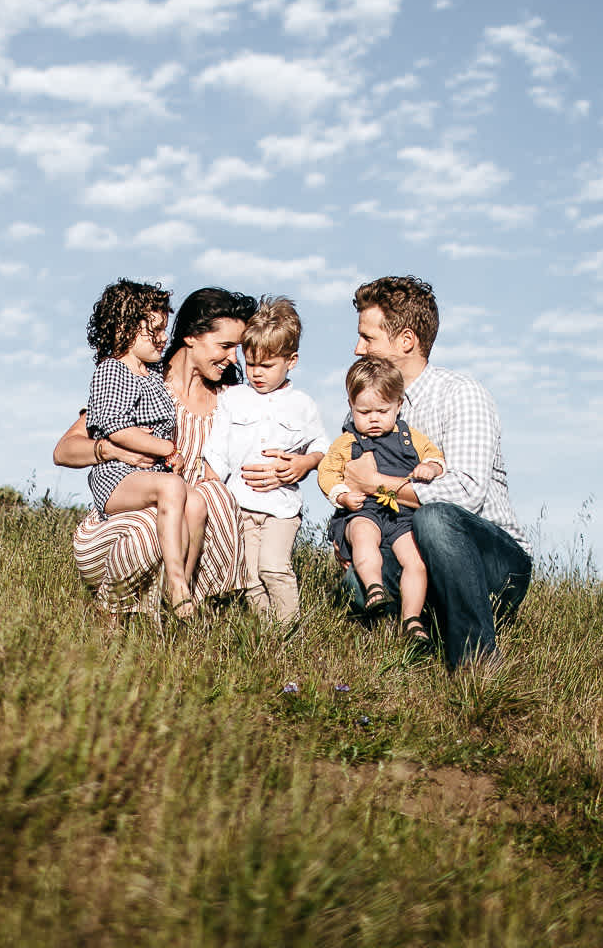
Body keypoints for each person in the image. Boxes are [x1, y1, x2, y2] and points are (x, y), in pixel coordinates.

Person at [56, 288, 319, 622]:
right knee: (159, 519)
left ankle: (197, 612)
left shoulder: (235, 402)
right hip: (130, 524)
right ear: (192, 336)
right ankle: (110, 615)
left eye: (238, 349)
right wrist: (108, 448)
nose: (234, 359)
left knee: (211, 495)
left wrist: (303, 464)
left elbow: (306, 439)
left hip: (197, 528)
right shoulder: (145, 386)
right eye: (225, 346)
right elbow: (64, 450)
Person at [336, 275, 530, 670]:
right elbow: (347, 482)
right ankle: (418, 637)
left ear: (406, 341)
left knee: (435, 517)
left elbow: (465, 493)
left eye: (368, 338)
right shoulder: (364, 409)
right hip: (408, 550)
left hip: (491, 560)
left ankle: (476, 663)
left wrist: (378, 484)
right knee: (355, 586)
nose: (358, 349)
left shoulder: (461, 393)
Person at [201, 296, 328, 625]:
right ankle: (267, 639)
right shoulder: (233, 400)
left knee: (273, 568)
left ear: (292, 360)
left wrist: (303, 464)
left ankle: (289, 633)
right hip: (240, 508)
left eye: (267, 366)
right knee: (252, 580)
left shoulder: (301, 404)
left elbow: (321, 448)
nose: (256, 373)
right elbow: (216, 454)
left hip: (281, 509)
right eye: (251, 363)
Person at [80, 279, 200, 612]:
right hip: (117, 477)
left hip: (147, 474)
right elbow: (116, 428)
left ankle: (179, 585)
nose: (164, 337)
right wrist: (167, 450)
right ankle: (176, 583)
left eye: (165, 329)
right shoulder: (112, 371)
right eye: (155, 330)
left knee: (197, 506)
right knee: (173, 488)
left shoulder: (151, 374)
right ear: (126, 329)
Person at [317, 356, 445, 646]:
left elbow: (436, 455)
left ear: (399, 405)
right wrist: (342, 495)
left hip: (402, 516)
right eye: (364, 411)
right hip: (365, 509)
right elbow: (327, 473)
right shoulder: (346, 442)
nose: (373, 418)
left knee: (415, 561)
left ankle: (412, 619)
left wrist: (431, 467)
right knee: (363, 537)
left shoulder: (409, 436)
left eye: (382, 411)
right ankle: (374, 588)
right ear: (351, 406)